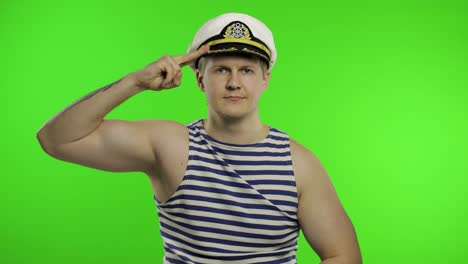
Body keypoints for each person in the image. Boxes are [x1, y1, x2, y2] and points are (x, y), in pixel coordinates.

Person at [37, 12, 361, 264]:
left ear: (265, 79)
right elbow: (56, 139)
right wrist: (135, 82)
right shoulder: (170, 145)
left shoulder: (299, 165)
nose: (234, 83)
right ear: (200, 80)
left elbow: (343, 255)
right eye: (221, 70)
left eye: (246, 70)